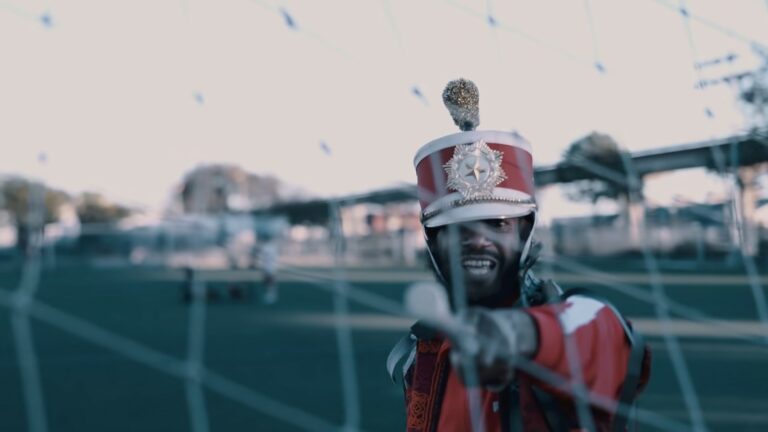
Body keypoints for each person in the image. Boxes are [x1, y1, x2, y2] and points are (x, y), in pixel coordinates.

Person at [387, 79, 651, 431]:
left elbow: (604, 330)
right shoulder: (416, 356)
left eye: (497, 225)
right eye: (456, 230)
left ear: (526, 234)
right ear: (433, 244)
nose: (477, 241)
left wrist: (517, 335)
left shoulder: (574, 322)